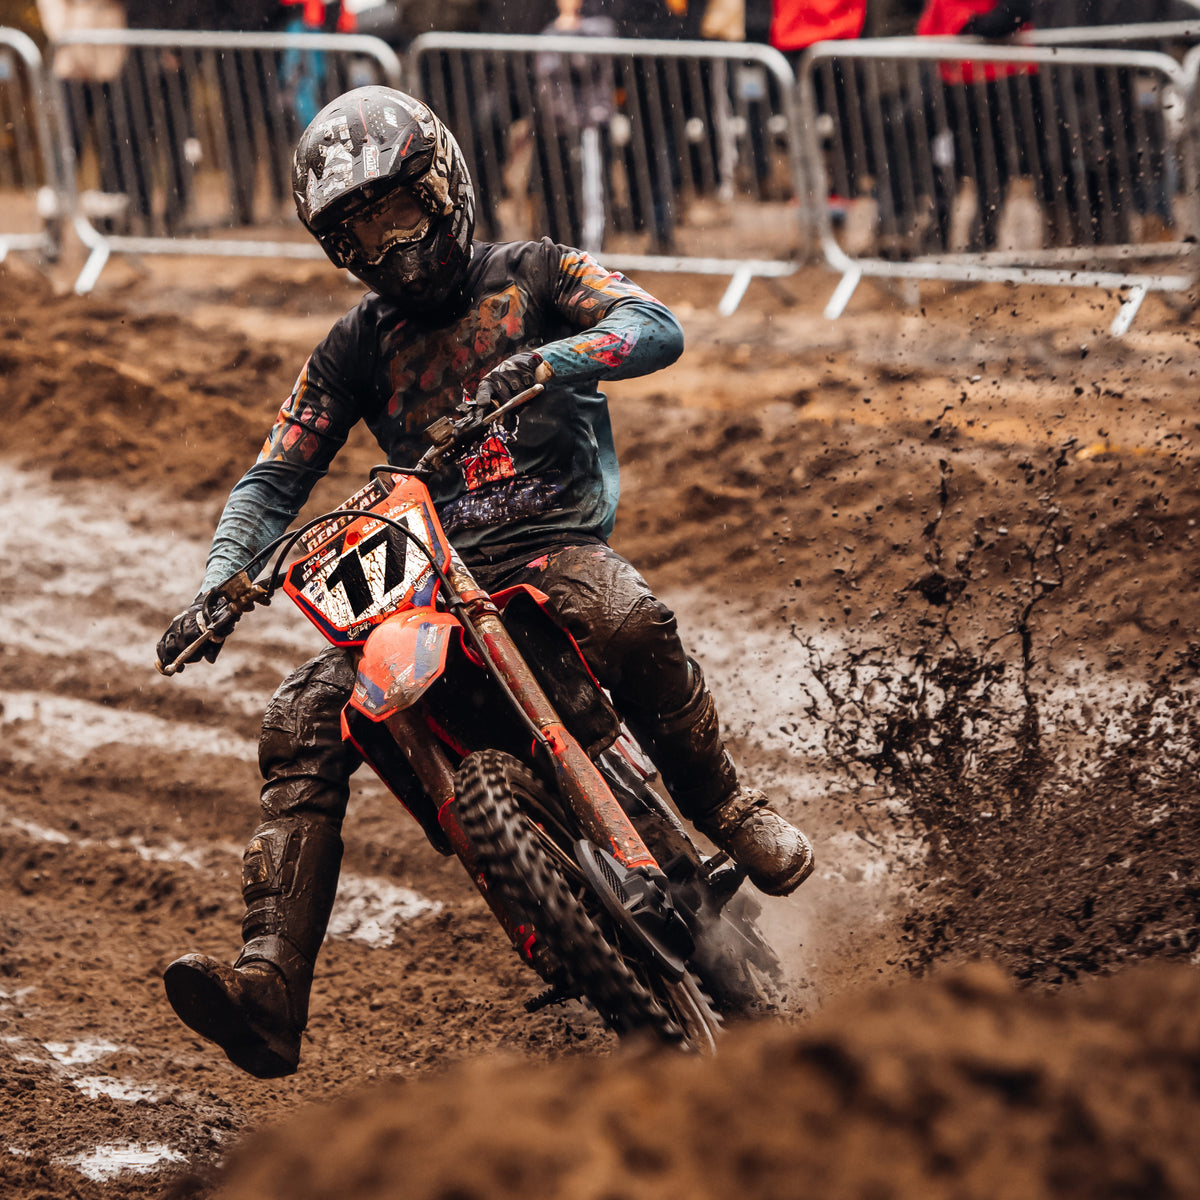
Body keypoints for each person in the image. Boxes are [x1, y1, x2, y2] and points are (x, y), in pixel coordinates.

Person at [156, 86, 815, 1079]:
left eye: (397, 215)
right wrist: (219, 582)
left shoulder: (534, 273)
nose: (388, 250)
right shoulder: (354, 347)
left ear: (443, 190)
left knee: (626, 619)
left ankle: (726, 807)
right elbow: (274, 475)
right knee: (300, 715)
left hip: (549, 548)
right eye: (359, 236)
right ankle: (270, 987)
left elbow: (654, 325)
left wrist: (551, 361)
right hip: (426, 579)